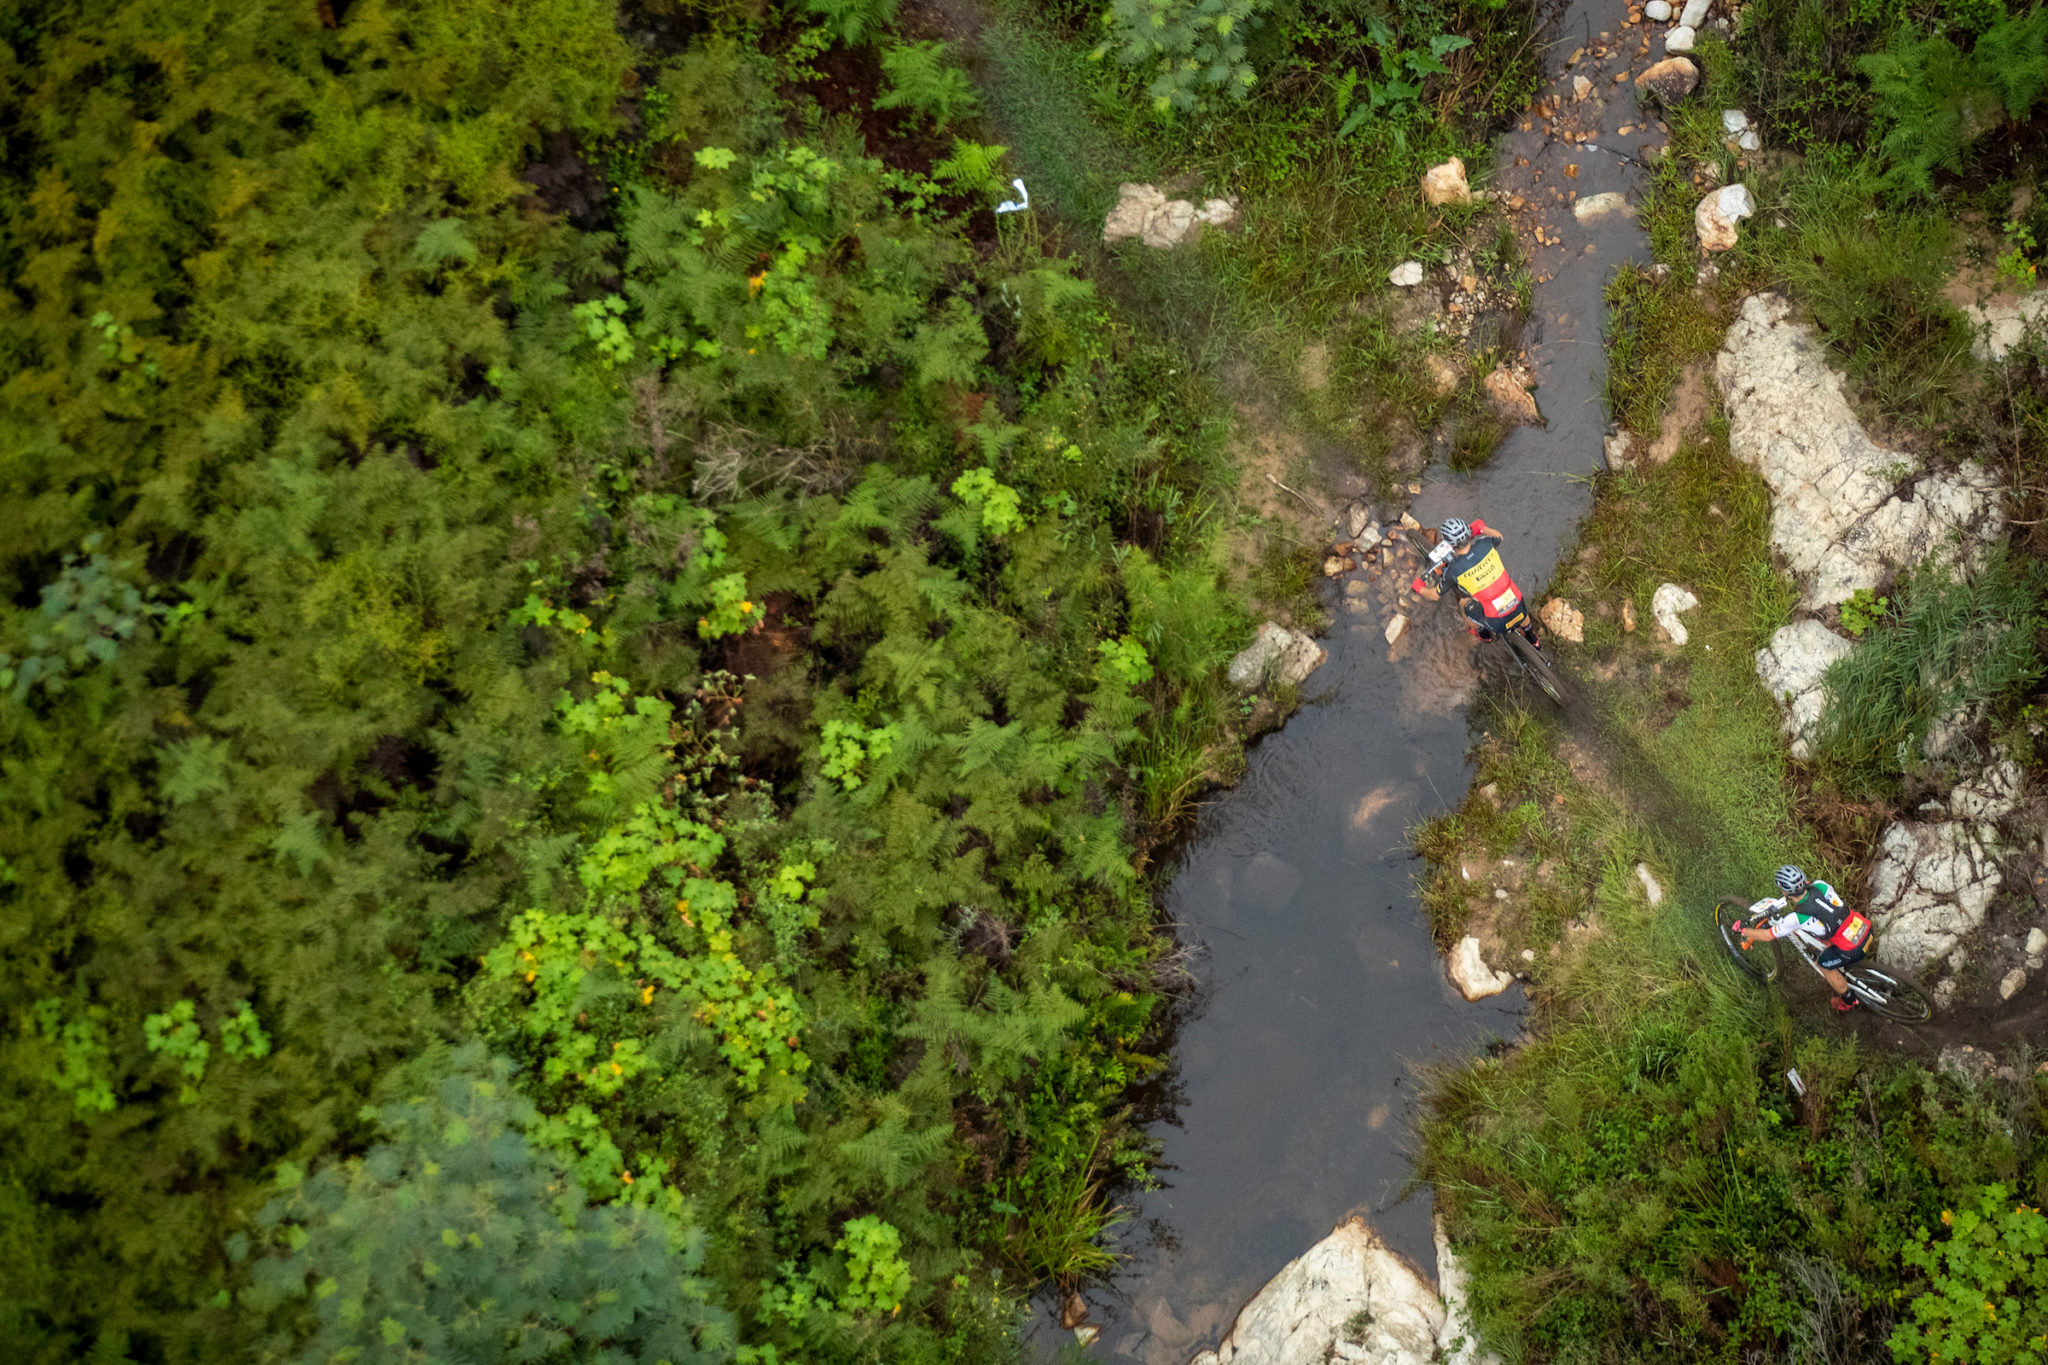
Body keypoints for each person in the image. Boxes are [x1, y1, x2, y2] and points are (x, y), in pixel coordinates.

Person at [1732, 865, 1874, 1012]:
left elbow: (1767, 935)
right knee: (1829, 928)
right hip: (1863, 927)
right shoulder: (1821, 885)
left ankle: (1849, 1000)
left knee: (1823, 964)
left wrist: (1744, 931)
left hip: (1852, 947)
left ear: (1785, 891)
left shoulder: (1795, 919)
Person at [1410, 517, 1538, 644]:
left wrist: (1420, 588)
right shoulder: (1486, 544)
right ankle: (1532, 637)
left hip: (1498, 622)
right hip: (1520, 608)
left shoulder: (1453, 570)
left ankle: (1483, 633)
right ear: (1468, 534)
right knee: (1514, 600)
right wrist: (1482, 529)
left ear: (1449, 544)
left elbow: (1434, 595)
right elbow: (1499, 536)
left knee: (1463, 603)